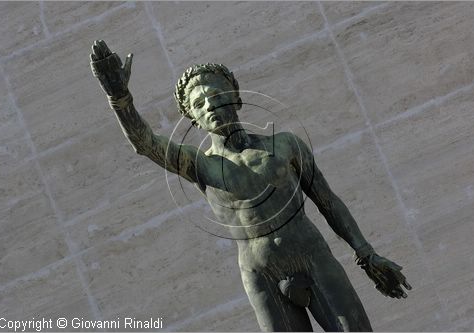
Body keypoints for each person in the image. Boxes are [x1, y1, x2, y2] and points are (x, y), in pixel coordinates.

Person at [90, 40, 411, 332]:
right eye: (200, 104)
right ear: (193, 119)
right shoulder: (201, 164)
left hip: (311, 253)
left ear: (236, 98)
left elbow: (328, 201)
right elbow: (146, 144)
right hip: (261, 274)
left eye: (216, 97)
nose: (210, 106)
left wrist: (366, 254)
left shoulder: (285, 145)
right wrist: (120, 99)